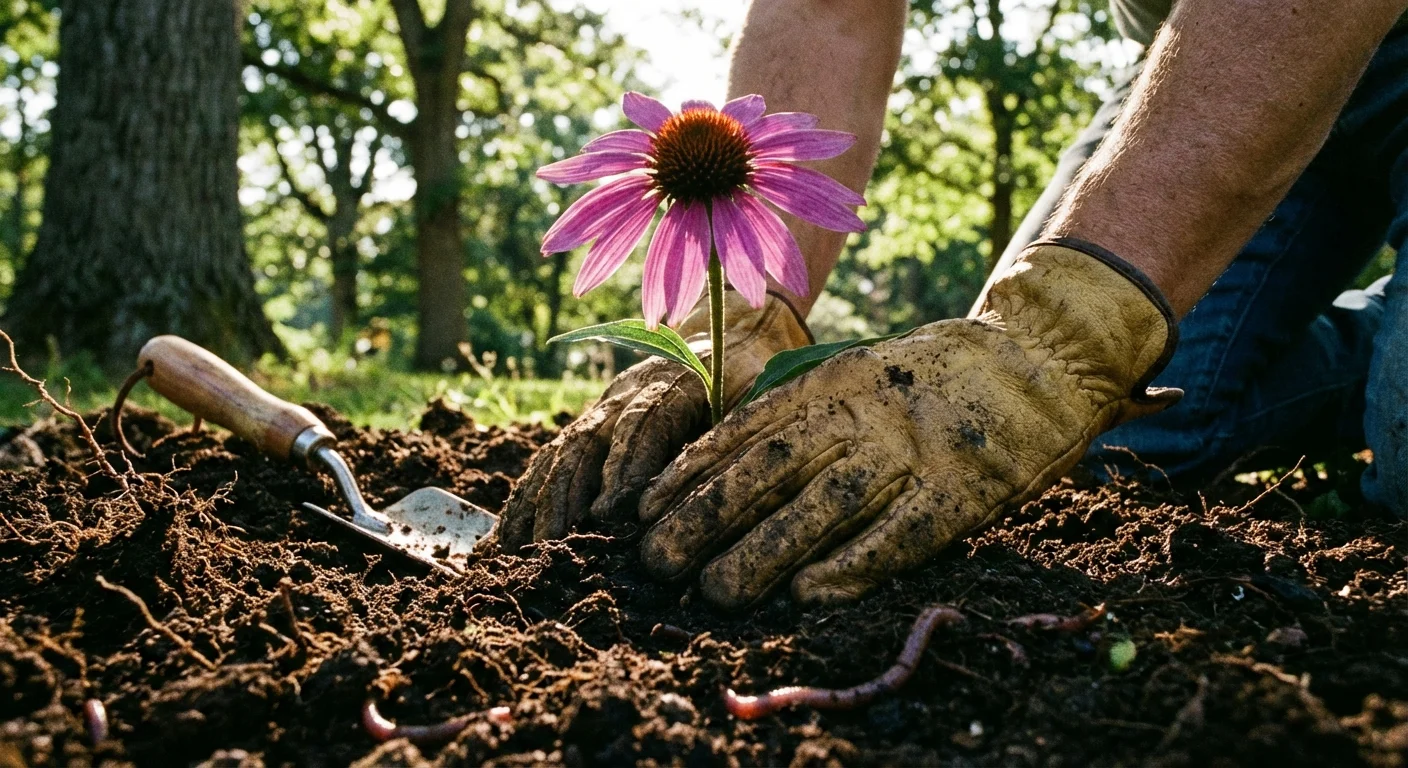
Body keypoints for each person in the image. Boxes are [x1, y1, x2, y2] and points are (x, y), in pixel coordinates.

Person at [503, 0, 1408, 610]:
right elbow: (827, 11)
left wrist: (1062, 333)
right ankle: (1374, 353)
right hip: (1201, 65)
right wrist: (745, 308)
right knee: (1094, 441)